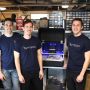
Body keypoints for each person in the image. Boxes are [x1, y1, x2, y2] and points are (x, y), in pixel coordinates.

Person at [14, 19, 43, 90]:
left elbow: (39, 55)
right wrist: (19, 74)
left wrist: (41, 70)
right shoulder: (18, 41)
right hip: (24, 73)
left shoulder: (36, 40)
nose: (29, 28)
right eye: (26, 26)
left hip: (36, 72)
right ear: (23, 28)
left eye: (30, 27)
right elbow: (16, 59)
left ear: (32, 28)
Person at [64, 18, 90, 90]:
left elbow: (88, 59)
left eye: (78, 25)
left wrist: (81, 74)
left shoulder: (86, 40)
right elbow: (69, 52)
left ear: (82, 27)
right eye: (73, 25)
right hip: (69, 71)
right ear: (71, 26)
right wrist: (66, 62)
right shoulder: (69, 38)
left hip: (79, 71)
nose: (75, 27)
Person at [0, 18, 21, 90]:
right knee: (7, 88)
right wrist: (0, 72)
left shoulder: (18, 36)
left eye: (10, 25)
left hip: (16, 68)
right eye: (6, 25)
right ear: (3, 26)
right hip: (4, 69)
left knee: (17, 88)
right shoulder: (0, 39)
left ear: (13, 26)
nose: (8, 27)